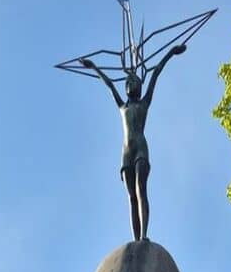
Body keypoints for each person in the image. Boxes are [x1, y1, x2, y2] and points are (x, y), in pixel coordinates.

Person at [79, 44, 186, 241]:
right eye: (127, 82)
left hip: (140, 150)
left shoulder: (144, 103)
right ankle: (136, 240)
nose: (129, 84)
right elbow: (109, 84)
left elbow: (156, 73)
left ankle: (144, 236)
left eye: (133, 81)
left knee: (140, 189)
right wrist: (93, 67)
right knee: (131, 197)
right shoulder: (122, 106)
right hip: (126, 153)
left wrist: (171, 52)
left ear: (139, 85)